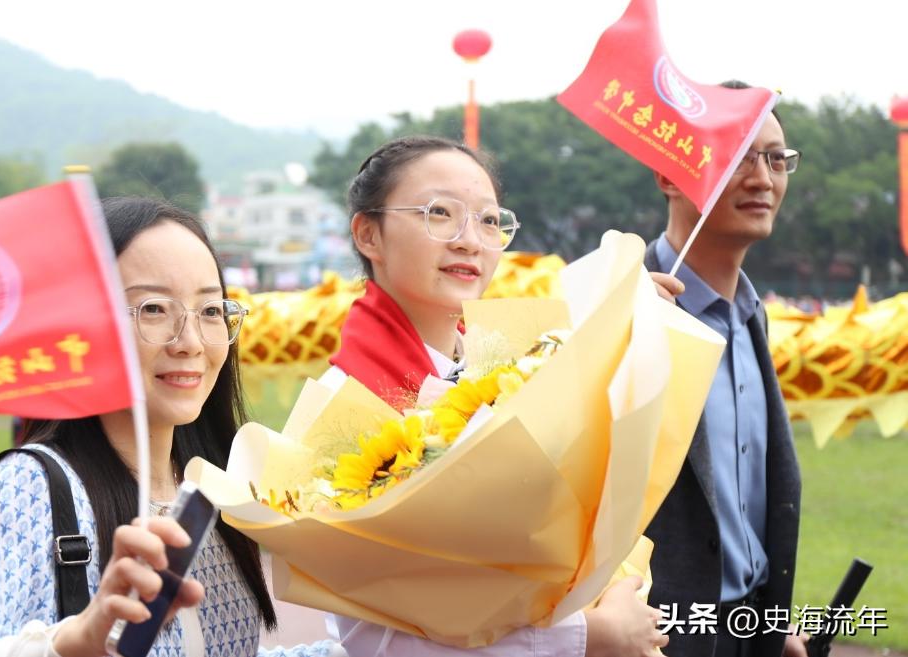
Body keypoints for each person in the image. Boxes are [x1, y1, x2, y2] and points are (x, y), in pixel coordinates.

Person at [0, 197, 341, 657]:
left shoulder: (214, 491)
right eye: (155, 309)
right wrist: (77, 640)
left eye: (211, 310)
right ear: (88, 325)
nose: (191, 342)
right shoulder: (32, 487)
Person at [321, 135, 675, 657]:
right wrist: (586, 638)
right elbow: (373, 636)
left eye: (489, 221)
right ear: (368, 234)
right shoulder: (345, 410)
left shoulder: (515, 370)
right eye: (439, 213)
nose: (471, 241)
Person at [643, 82, 805, 657]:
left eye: (776, 158)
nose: (763, 179)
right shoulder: (615, 309)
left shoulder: (751, 316)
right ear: (668, 174)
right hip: (655, 636)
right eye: (737, 157)